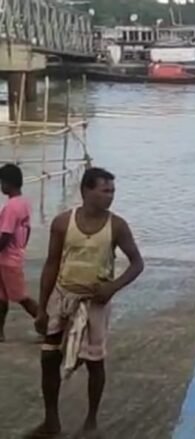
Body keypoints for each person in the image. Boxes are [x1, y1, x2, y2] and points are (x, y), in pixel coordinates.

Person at [27, 167, 144, 438]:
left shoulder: (117, 226)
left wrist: (112, 287)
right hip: (63, 299)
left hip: (95, 305)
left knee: (94, 362)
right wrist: (42, 309)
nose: (110, 196)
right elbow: (51, 264)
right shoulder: (62, 223)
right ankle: (51, 422)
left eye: (112, 191)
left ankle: (91, 423)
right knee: (49, 358)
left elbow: (137, 263)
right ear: (86, 191)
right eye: (105, 191)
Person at [0, 164, 37, 342]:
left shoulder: (11, 207)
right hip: (11, 256)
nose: (1, 186)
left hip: (8, 259)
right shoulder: (24, 203)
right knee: (1, 297)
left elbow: (6, 236)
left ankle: (49, 328)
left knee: (21, 298)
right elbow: (27, 230)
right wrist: (22, 247)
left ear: (8, 183)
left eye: (2, 182)